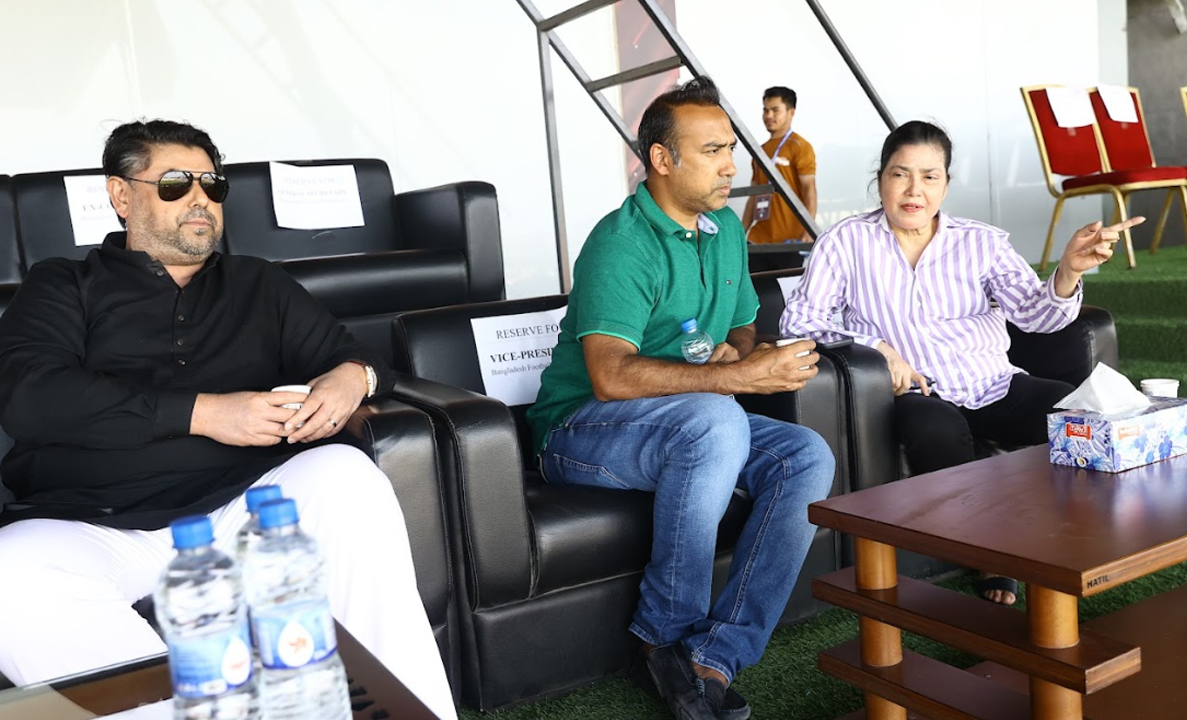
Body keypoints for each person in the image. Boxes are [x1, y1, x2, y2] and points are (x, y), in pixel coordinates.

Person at [0, 120, 457, 720]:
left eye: (212, 185)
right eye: (175, 183)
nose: (200, 199)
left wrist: (352, 379)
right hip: (96, 524)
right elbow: (31, 396)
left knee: (346, 475)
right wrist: (207, 413)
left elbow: (355, 356)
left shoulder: (258, 282)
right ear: (120, 195)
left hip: (240, 504)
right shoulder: (64, 284)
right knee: (8, 575)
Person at [526, 76, 835, 720]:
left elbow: (744, 324)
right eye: (713, 151)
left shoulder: (725, 231)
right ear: (662, 159)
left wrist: (734, 352)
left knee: (805, 455)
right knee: (716, 419)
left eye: (731, 149)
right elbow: (610, 376)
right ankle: (662, 636)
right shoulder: (620, 243)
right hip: (579, 430)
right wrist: (735, 380)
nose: (732, 166)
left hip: (690, 420)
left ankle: (714, 656)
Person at [780, 120, 1142, 605]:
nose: (914, 190)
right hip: (914, 393)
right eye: (900, 174)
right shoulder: (845, 242)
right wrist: (875, 347)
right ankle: (993, 556)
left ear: (946, 184)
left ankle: (1083, 535)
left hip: (991, 383)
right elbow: (799, 321)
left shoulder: (981, 242)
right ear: (880, 179)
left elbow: (1036, 316)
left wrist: (1068, 272)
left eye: (930, 177)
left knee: (1075, 415)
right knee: (937, 430)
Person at [741, 86, 818, 272]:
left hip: (790, 241)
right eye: (765, 110)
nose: (769, 115)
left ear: (791, 112)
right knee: (755, 288)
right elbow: (754, 196)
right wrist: (740, 233)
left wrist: (808, 230)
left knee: (785, 290)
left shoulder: (800, 147)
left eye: (775, 110)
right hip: (758, 240)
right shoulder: (759, 151)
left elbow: (809, 189)